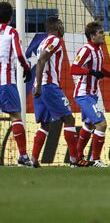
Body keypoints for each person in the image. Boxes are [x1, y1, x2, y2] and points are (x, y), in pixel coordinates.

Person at [70, 22, 110, 168]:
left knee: (88, 125)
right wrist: (90, 72)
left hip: (92, 94)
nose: (103, 34)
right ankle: (96, 159)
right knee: (101, 124)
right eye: (100, 32)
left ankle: (76, 160)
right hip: (83, 94)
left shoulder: (98, 50)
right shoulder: (86, 50)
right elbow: (73, 69)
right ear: (92, 36)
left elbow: (98, 69)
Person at [31, 17, 81, 167]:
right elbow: (41, 61)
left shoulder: (42, 42)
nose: (63, 28)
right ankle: (74, 159)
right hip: (48, 86)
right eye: (62, 25)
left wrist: (37, 86)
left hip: (40, 86)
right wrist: (40, 85)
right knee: (69, 120)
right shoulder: (55, 40)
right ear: (57, 26)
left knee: (45, 124)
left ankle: (33, 159)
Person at [0, 2, 33, 167]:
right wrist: (27, 69)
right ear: (11, 17)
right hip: (6, 83)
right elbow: (20, 54)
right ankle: (23, 155)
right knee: (15, 116)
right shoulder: (11, 32)